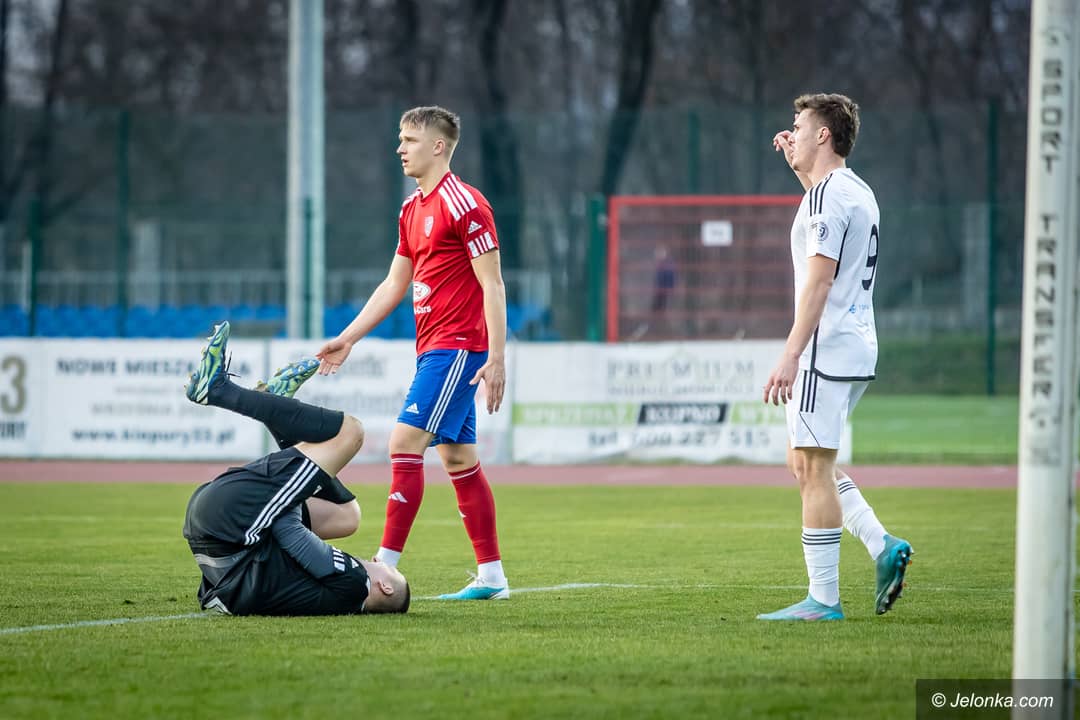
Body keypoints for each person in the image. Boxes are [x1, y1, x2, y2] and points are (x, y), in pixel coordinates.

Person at [315, 106, 509, 600]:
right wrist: (349, 337)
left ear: (438, 146)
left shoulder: (466, 204)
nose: (400, 148)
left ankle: (382, 568)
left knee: (404, 442)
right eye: (400, 139)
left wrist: (497, 358)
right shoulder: (411, 209)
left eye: (410, 140)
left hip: (459, 348)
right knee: (459, 458)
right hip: (432, 350)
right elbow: (394, 283)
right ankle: (492, 577)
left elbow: (493, 284)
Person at [758, 93, 913, 621]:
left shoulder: (827, 197)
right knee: (803, 461)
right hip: (855, 343)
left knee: (814, 467)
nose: (792, 133)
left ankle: (823, 599)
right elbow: (825, 225)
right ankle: (882, 544)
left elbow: (820, 281)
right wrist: (799, 172)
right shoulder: (853, 190)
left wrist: (791, 353)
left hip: (824, 348)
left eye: (799, 126)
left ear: (823, 134)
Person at [182, 321, 410, 615]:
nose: (379, 561)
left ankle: (219, 390)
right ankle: (274, 406)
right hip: (213, 531)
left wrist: (297, 486)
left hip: (232, 519)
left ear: (385, 588)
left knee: (350, 433)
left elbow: (288, 529)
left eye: (390, 570)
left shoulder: (356, 584)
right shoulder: (332, 596)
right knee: (347, 517)